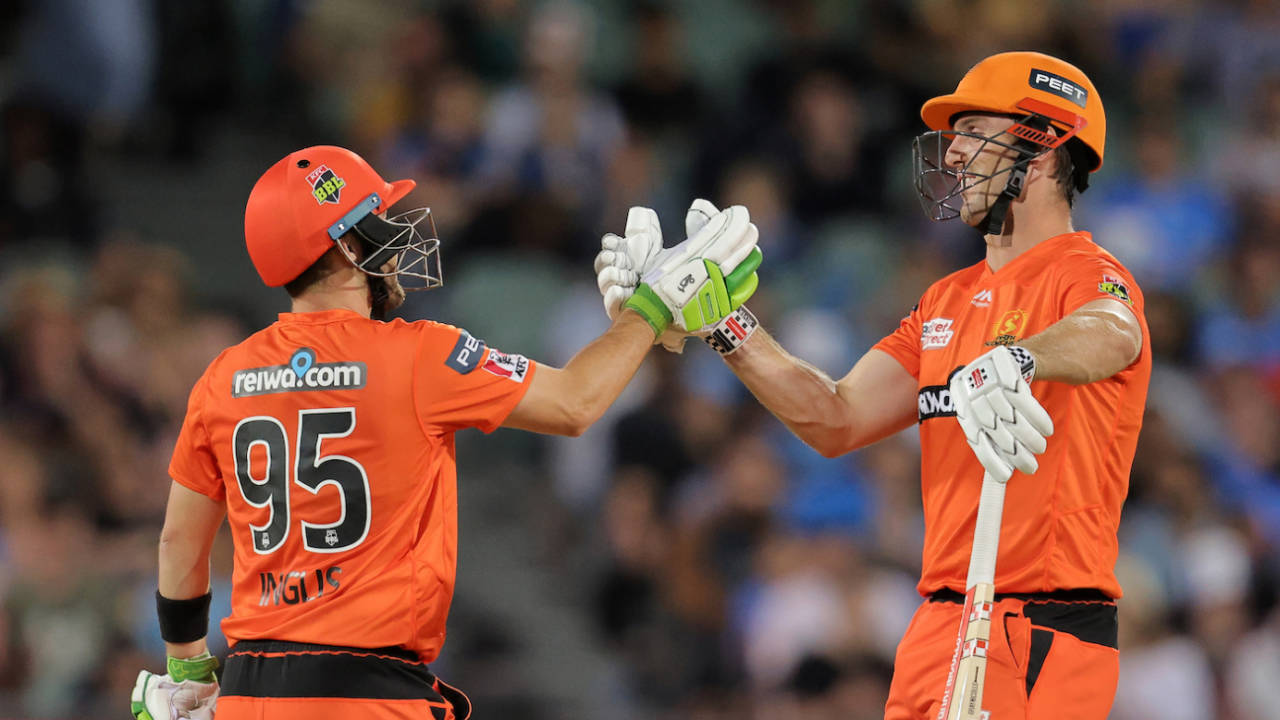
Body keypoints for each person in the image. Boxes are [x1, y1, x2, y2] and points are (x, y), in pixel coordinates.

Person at [598, 51, 1150, 719]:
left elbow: (1115, 330)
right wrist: (721, 323)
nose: (952, 157)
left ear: (1041, 154)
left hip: (1037, 621)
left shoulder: (1085, 272)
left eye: (975, 133)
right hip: (940, 621)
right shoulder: (946, 299)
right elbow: (836, 416)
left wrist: (1019, 360)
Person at [130, 145, 761, 720]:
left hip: (249, 698)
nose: (395, 237)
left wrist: (189, 671)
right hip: (368, 699)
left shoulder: (223, 376)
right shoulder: (416, 354)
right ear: (348, 247)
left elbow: (180, 546)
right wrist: (651, 308)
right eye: (376, 220)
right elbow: (575, 403)